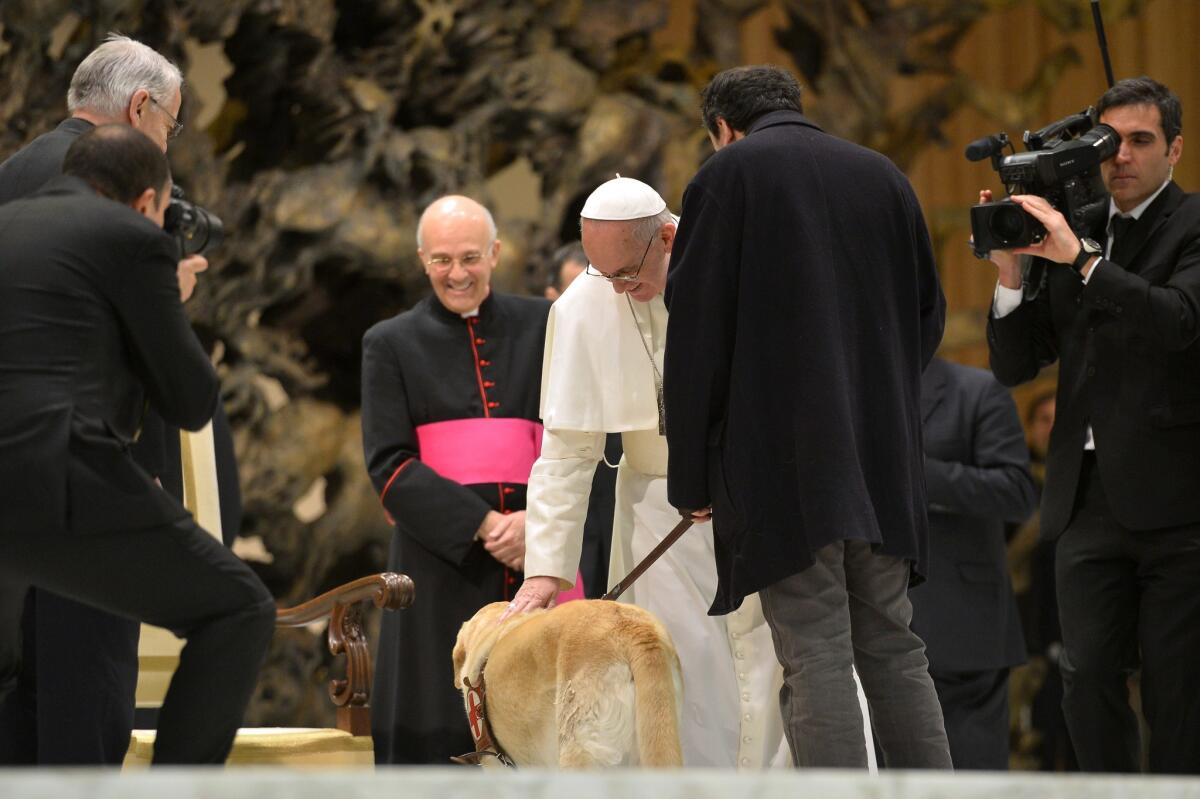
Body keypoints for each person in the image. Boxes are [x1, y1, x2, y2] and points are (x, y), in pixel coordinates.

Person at [662, 65, 951, 769]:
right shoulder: (884, 175)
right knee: (894, 646)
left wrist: (691, 478)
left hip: (784, 464)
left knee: (815, 648)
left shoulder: (726, 178)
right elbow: (929, 318)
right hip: (883, 459)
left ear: (722, 129)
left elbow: (695, 338)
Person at [0, 34, 242, 766]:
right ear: (141, 107)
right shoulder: (122, 198)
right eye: (170, 124)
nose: (167, 144)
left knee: (17, 702)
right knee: (88, 690)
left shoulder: (10, 175)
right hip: (91, 482)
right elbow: (153, 364)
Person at [508, 177, 797, 768]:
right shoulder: (584, 303)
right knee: (680, 677)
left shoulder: (734, 275)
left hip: (757, 507)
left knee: (772, 670)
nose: (616, 290)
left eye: (628, 276)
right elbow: (565, 451)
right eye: (602, 275)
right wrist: (546, 569)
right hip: (654, 518)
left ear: (669, 237)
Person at [983, 76, 1200, 774]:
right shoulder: (1075, 227)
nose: (1122, 157)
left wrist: (1080, 259)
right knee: (1084, 679)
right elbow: (1019, 364)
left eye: (1141, 140)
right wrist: (1014, 274)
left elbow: (1178, 321)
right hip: (1083, 499)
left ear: (1175, 147)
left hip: (1179, 504)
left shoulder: (1191, 225)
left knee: (1178, 691)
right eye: (1109, 142)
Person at [361, 195, 550, 764]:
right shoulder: (389, 342)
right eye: (442, 260)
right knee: (439, 722)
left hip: (539, 553)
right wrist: (487, 524)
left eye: (470, 257)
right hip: (439, 565)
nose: (458, 273)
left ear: (495, 253)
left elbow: (577, 439)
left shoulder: (545, 325)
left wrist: (536, 522)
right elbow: (389, 465)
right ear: (422, 259)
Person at [909, 357, 1036, 769]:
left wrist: (917, 475)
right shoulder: (853, 392)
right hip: (867, 627)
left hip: (963, 630)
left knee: (972, 779)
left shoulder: (978, 390)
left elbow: (1017, 492)